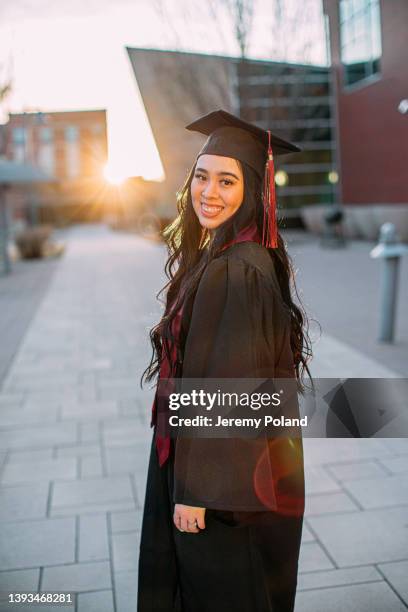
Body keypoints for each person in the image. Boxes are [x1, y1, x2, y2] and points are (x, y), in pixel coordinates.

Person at [138, 109, 313, 612]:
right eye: (201, 176)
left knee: (218, 592)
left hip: (222, 481)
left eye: (227, 180)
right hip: (236, 462)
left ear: (253, 190)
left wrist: (196, 491)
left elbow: (230, 385)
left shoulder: (236, 270)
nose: (208, 192)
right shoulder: (236, 254)